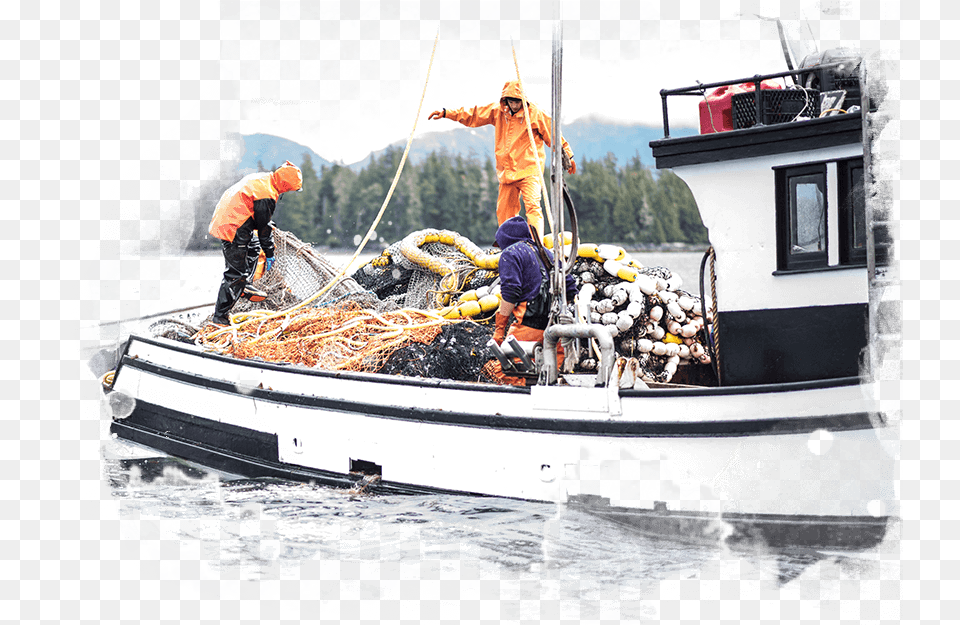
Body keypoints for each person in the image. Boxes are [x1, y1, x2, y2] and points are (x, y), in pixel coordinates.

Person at [428, 80, 576, 239]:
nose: (514, 104)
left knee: (533, 207)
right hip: (507, 173)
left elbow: (553, 134)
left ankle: (536, 244)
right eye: (511, 101)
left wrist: (568, 155)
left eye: (517, 101)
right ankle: (508, 245)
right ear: (505, 100)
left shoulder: (535, 113)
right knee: (505, 213)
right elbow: (473, 114)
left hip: (529, 170)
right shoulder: (498, 112)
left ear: (523, 100)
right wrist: (446, 112)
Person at [207, 160, 303, 325]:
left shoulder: (265, 179)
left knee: (253, 247)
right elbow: (263, 229)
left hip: (229, 217)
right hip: (233, 226)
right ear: (286, 186)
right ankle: (220, 318)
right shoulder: (267, 194)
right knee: (234, 275)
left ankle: (246, 284)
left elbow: (258, 217)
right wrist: (270, 253)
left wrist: (263, 225)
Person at [487, 216, 577, 385]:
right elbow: (570, 286)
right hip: (555, 329)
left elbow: (510, 291)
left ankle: (520, 405)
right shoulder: (547, 253)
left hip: (529, 326)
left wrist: (499, 328)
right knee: (551, 374)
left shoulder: (510, 254)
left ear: (505, 240)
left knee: (505, 371)